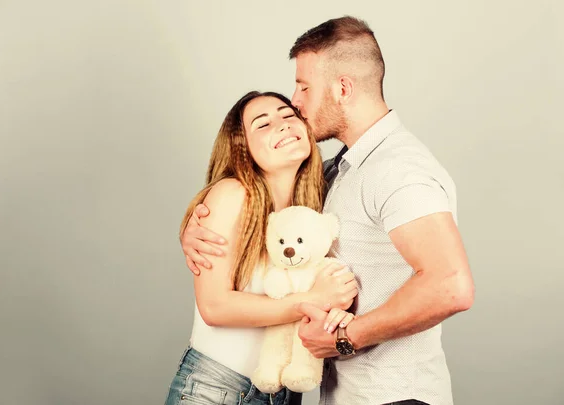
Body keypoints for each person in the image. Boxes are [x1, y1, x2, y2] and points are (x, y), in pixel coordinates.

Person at [180, 16, 475, 405]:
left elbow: (450, 285)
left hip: (392, 396)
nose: (296, 103)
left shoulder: (398, 170)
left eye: (303, 87)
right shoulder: (341, 170)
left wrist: (343, 338)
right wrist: (195, 229)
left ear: (342, 88)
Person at [164, 90, 359, 405]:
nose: (282, 125)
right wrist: (310, 300)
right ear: (242, 148)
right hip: (217, 390)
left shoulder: (313, 206)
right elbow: (215, 307)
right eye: (263, 124)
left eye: (288, 115)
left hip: (282, 395)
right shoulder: (231, 194)